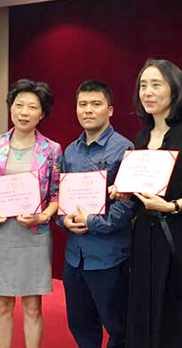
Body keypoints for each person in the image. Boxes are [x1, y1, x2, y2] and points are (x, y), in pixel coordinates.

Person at [122, 59, 182, 348]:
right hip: (143, 235)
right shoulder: (141, 137)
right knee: (142, 307)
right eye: (143, 86)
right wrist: (123, 190)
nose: (147, 92)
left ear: (175, 90)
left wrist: (174, 205)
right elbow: (140, 187)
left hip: (178, 234)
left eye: (156, 85)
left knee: (178, 312)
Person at [0, 79, 62, 348]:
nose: (24, 112)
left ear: (42, 113)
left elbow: (57, 195)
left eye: (32, 107)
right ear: (10, 107)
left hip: (33, 234)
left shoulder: (52, 150)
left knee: (33, 306)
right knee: (2, 304)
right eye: (19, 105)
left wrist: (43, 216)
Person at [58, 80, 134, 348]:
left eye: (96, 104)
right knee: (80, 324)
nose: (88, 110)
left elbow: (127, 205)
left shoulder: (125, 148)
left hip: (109, 256)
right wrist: (64, 220)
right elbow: (61, 198)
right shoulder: (70, 150)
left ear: (110, 110)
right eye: (82, 104)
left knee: (117, 327)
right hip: (75, 256)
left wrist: (93, 223)